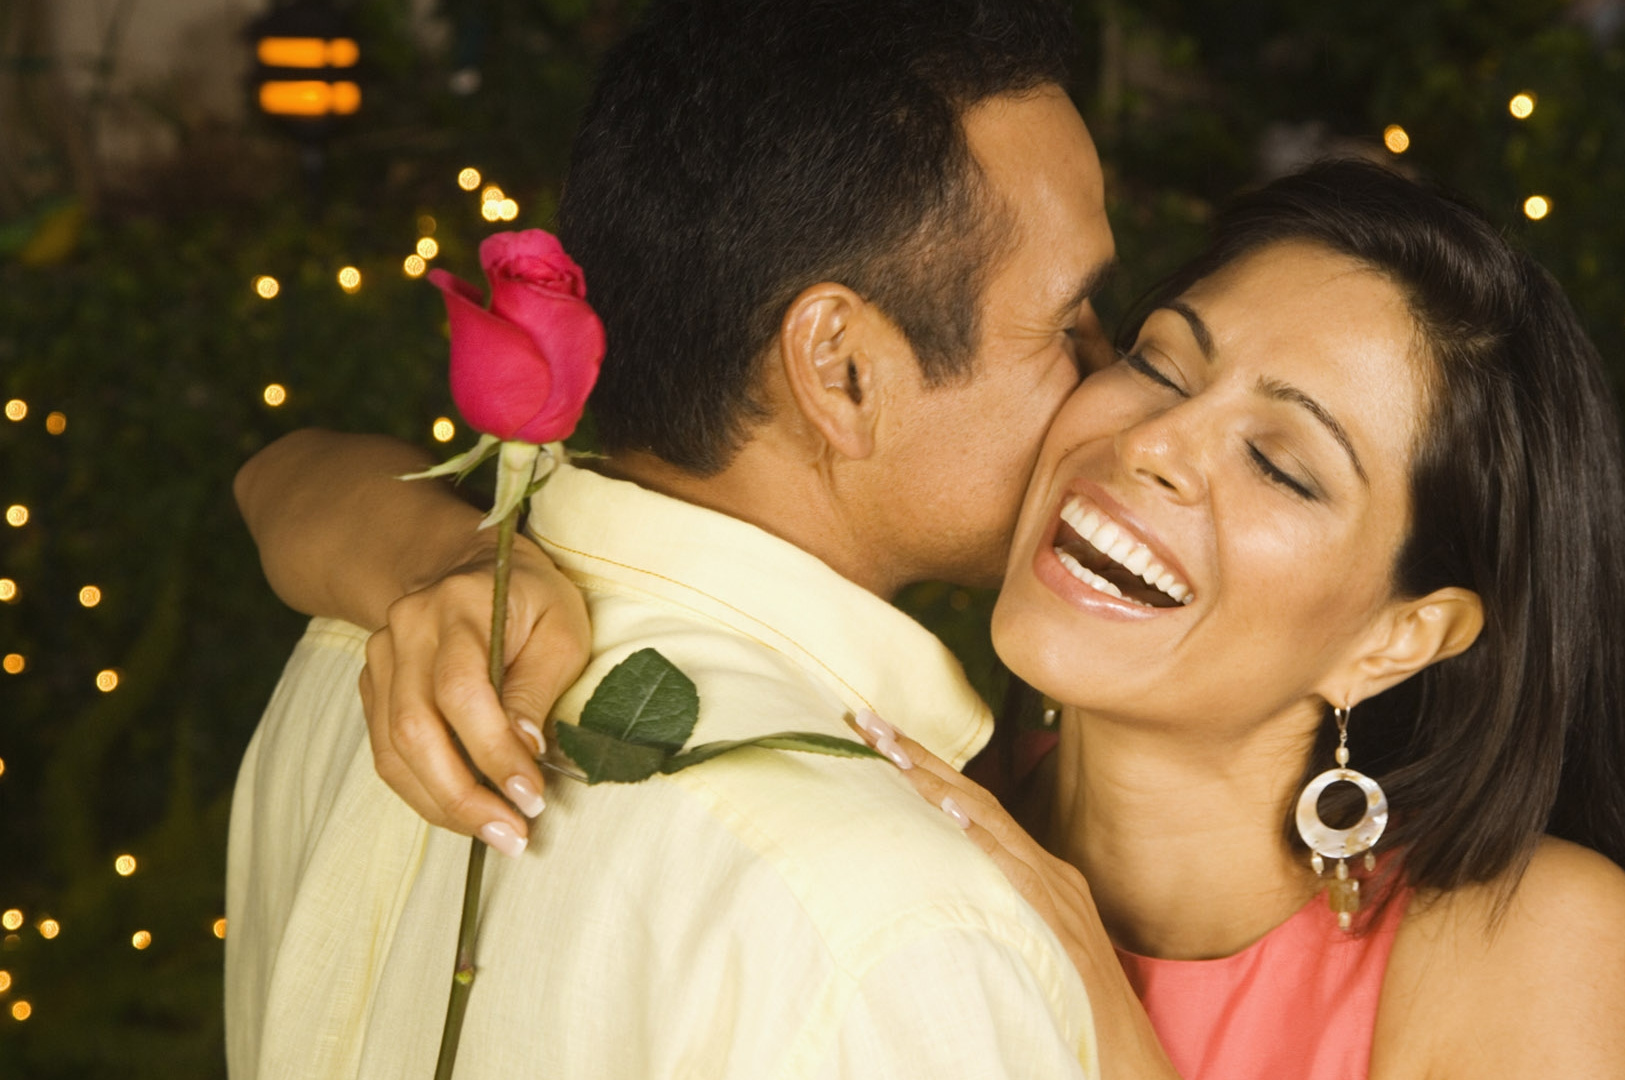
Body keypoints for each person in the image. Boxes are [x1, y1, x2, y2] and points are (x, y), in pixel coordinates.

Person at [252, 163, 1625, 1078]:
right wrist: (443, 567)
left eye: (1283, 463)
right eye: (1164, 363)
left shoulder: (1523, 936)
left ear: (1400, 635)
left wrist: (1099, 1011)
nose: (1162, 445)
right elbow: (281, 482)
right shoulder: (890, 811)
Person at [225, 1, 1120, 1077]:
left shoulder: (360, 648)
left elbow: (278, 475)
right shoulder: (907, 928)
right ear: (841, 371)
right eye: (1068, 324)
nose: (1110, 387)